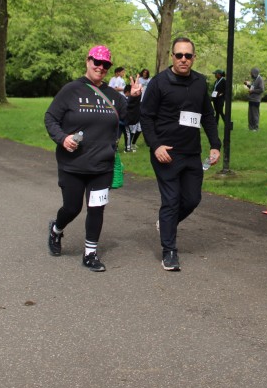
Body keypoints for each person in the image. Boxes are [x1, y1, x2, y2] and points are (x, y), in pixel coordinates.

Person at [141, 37, 221, 271]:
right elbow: (146, 117)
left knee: (192, 199)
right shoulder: (159, 82)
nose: (183, 59)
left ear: (194, 57)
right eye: (179, 55)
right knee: (171, 200)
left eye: (188, 55)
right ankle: (169, 251)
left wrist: (215, 144)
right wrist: (155, 146)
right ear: (172, 57)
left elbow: (207, 115)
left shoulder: (200, 82)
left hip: (191, 152)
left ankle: (166, 224)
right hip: (166, 153)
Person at [44, 45, 127, 272]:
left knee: (96, 208)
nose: (100, 67)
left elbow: (131, 117)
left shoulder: (114, 96)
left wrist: (137, 99)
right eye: (96, 62)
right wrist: (62, 138)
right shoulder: (71, 90)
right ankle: (56, 229)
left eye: (105, 64)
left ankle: (90, 253)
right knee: (72, 208)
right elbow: (51, 118)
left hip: (102, 165)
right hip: (73, 164)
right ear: (88, 61)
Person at [124, 77, 142, 152]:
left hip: (135, 118)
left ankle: (130, 146)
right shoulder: (127, 100)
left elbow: (137, 95)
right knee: (129, 133)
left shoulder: (137, 99)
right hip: (128, 120)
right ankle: (128, 148)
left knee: (134, 132)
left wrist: (136, 79)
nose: (136, 92)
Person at [245, 67, 263, 131]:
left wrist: (252, 91)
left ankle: (256, 127)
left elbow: (261, 89)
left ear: (255, 73)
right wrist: (247, 85)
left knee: (255, 114)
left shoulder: (260, 79)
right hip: (251, 99)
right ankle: (251, 127)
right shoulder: (254, 79)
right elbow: (253, 88)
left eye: (251, 73)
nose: (251, 74)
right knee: (250, 114)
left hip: (256, 100)